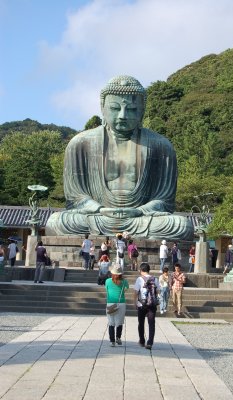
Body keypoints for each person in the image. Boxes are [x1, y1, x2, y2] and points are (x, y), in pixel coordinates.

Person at [45, 76, 194, 241]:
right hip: (98, 216)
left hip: (140, 218)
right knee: (56, 222)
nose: (122, 115)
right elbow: (75, 197)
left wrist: (140, 211)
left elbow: (164, 200)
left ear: (142, 110)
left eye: (131, 109)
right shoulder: (80, 143)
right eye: (115, 108)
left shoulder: (161, 145)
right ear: (103, 108)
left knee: (181, 224)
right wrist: (100, 209)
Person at [134, 262, 160, 350]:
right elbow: (158, 291)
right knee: (151, 323)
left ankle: (142, 341)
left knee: (141, 323)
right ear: (149, 270)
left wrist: (135, 302)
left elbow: (136, 292)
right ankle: (150, 342)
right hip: (152, 304)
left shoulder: (139, 279)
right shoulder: (154, 279)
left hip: (142, 304)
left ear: (141, 270)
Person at [105, 265, 129, 346]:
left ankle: (112, 341)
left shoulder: (107, 281)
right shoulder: (124, 281)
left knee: (111, 322)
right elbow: (126, 289)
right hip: (121, 303)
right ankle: (118, 337)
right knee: (119, 322)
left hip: (110, 303)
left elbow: (107, 289)